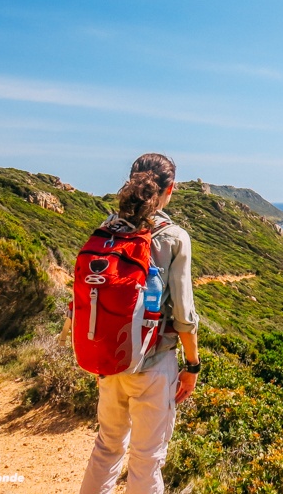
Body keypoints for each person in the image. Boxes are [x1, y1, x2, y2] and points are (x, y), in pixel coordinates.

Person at [80, 153, 200, 494]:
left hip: (110, 357)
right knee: (146, 459)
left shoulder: (106, 229)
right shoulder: (174, 236)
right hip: (153, 361)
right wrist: (192, 364)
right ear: (170, 189)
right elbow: (184, 316)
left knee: (106, 446)